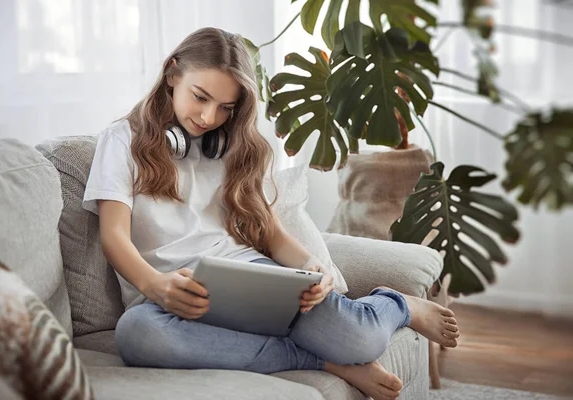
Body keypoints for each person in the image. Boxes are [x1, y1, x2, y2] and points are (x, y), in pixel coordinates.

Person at [82, 27, 459, 400]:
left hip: (252, 280)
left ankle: (396, 304)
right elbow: (114, 235)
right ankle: (321, 362)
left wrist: (314, 267)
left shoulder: (229, 147)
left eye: (225, 108)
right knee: (137, 334)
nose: (209, 117)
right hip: (171, 299)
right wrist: (154, 285)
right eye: (200, 97)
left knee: (360, 340)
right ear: (173, 74)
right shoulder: (120, 141)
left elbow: (271, 234)